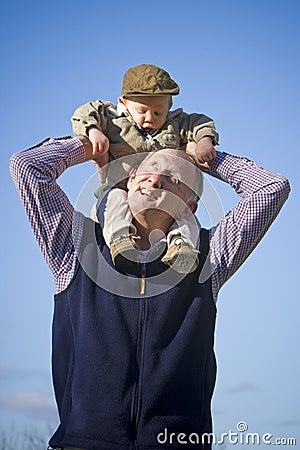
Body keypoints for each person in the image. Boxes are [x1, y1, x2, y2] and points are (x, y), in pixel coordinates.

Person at [9, 136, 290, 450]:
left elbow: (271, 188)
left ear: (190, 205)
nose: (155, 179)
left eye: (173, 179)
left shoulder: (209, 257)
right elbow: (27, 167)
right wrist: (90, 147)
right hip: (83, 443)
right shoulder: (77, 245)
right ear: (130, 180)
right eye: (150, 169)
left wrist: (209, 157)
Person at [71, 64, 219, 274]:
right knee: (114, 198)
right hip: (116, 187)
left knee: (185, 214)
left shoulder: (174, 125)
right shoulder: (115, 122)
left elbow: (199, 123)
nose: (150, 118)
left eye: (158, 111)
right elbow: (84, 114)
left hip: (159, 199)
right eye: (142, 111)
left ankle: (182, 247)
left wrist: (205, 142)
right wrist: (93, 132)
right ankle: (121, 241)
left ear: (169, 106)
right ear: (123, 103)